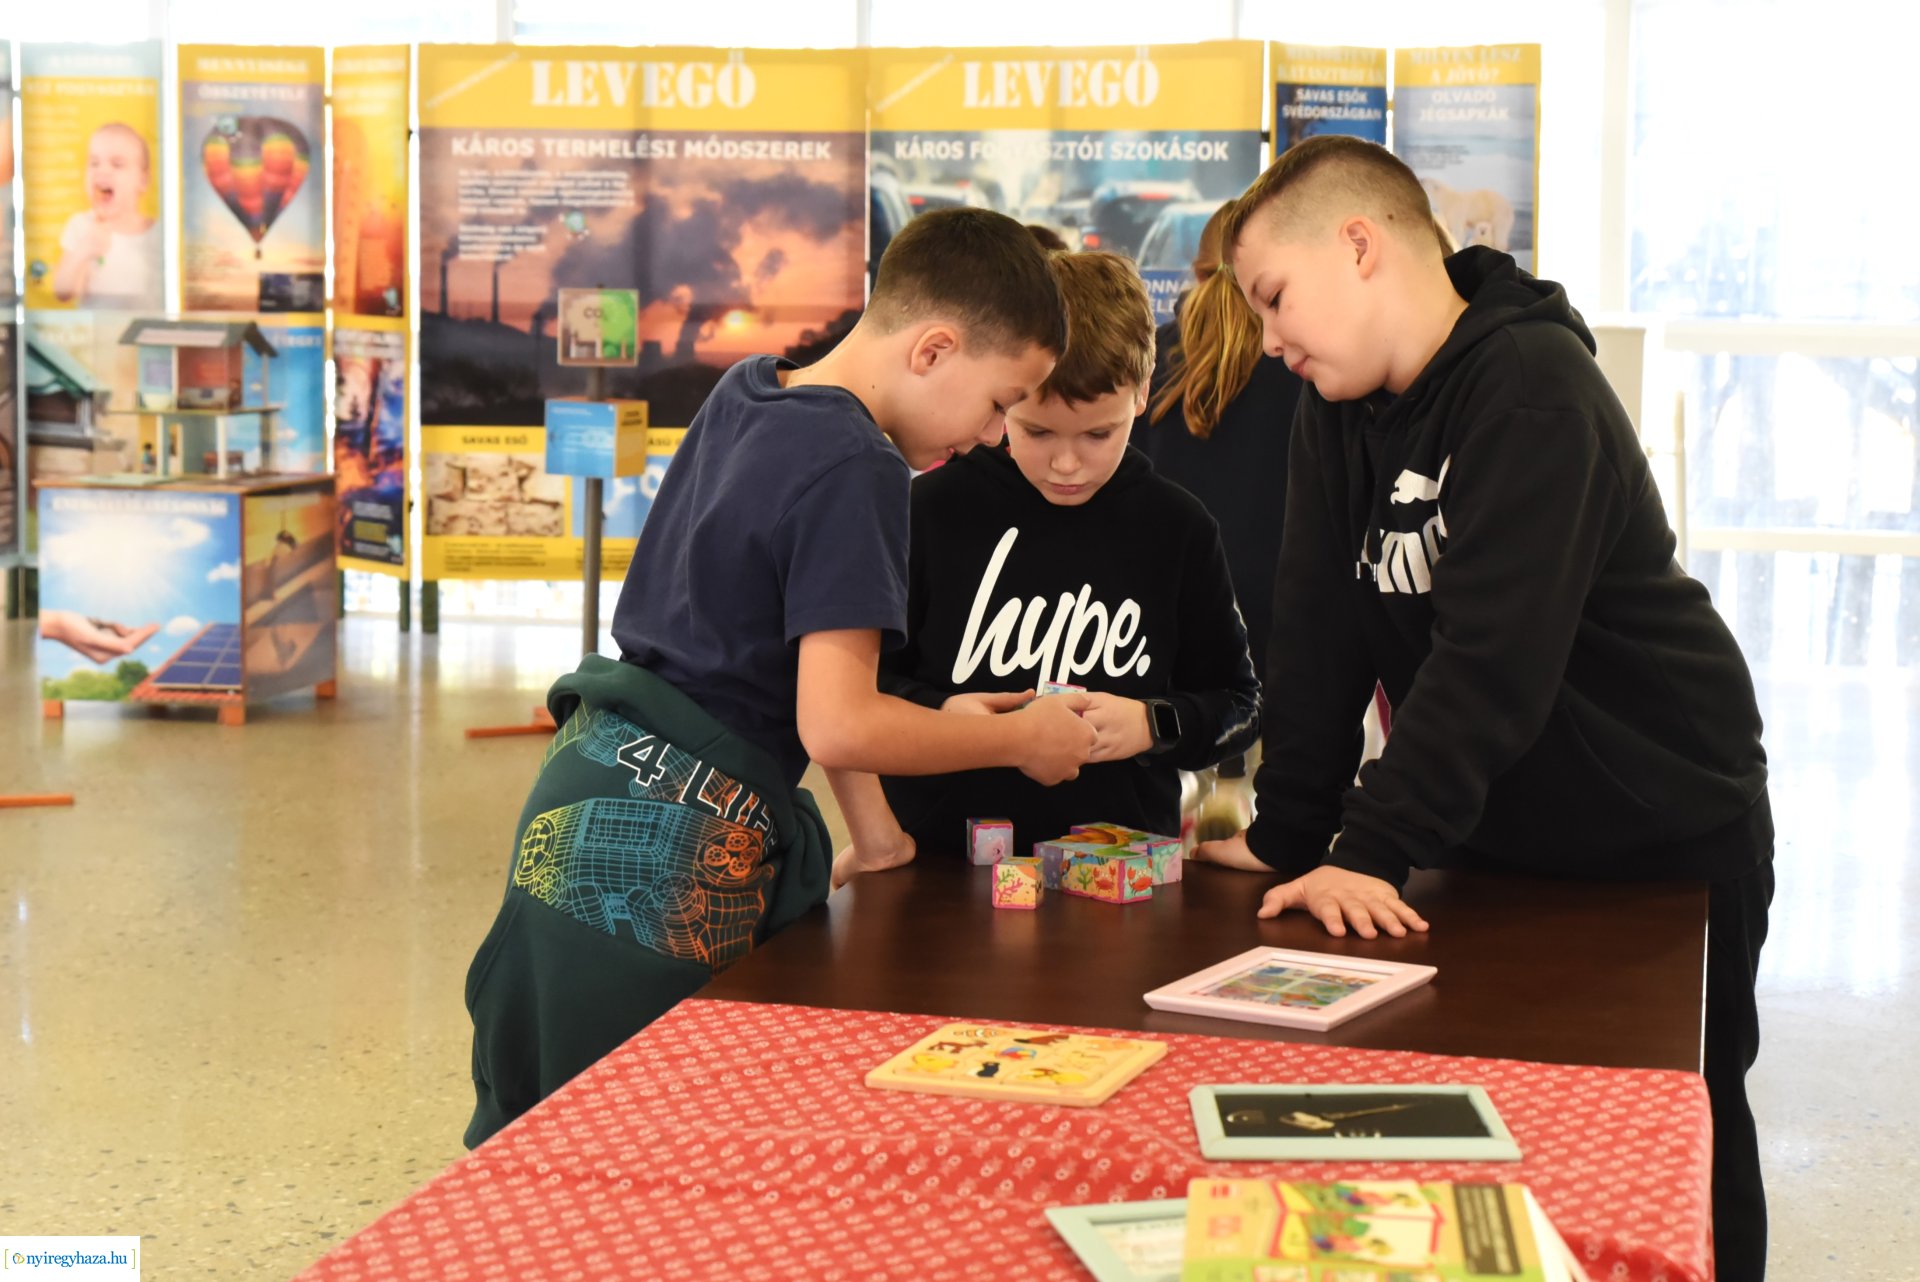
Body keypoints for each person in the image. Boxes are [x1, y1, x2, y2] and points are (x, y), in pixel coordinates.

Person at [1194, 135, 1774, 1281]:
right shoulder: (1340, 406)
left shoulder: (1533, 384)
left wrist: (1374, 846)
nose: (1268, 341)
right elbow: (1316, 627)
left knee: (1680, 1124)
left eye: (1273, 299)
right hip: (1498, 826)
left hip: (1662, 822)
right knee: (1492, 1122)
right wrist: (1289, 834)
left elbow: (1495, 658)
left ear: (1359, 245)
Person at [461, 208, 1097, 1147]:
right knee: (638, 1161)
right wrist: (1017, 735)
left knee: (543, 1143)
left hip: (584, 794)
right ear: (934, 350)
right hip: (667, 855)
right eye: (1002, 402)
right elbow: (838, 723)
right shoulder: (862, 467)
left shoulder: (752, 390)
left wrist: (877, 838)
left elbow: (804, 679)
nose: (998, 436)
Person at [869, 249, 1260, 854]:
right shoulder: (927, 512)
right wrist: (945, 712)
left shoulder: (1178, 527)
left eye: (1099, 434)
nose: (1068, 464)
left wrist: (1152, 723)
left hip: (1120, 870)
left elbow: (1240, 703)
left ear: (1140, 394)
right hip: (941, 864)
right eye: (1037, 432)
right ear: (1005, 397)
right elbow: (860, 691)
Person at [1137, 200, 1303, 677]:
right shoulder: (1304, 364)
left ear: (1197, 268)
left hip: (1167, 621)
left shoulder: (1147, 361)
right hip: (1286, 626)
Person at [52, 122, 160, 309]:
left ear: (142, 181)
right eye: (94, 163)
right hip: (95, 333)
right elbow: (62, 292)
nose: (102, 171)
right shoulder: (81, 225)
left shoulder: (160, 233)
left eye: (117, 164)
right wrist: (83, 251)